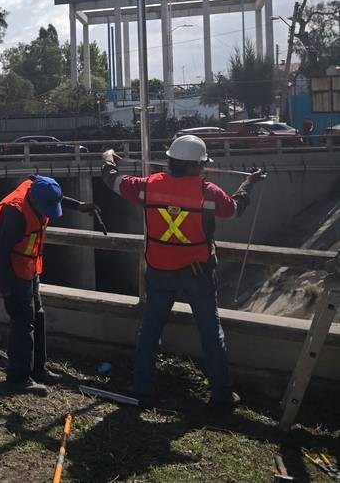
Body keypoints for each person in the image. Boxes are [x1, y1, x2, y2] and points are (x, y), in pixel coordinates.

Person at [101, 135, 265, 408]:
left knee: (150, 330)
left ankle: (143, 388)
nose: (203, 168)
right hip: (197, 272)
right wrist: (249, 182)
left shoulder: (147, 187)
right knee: (211, 333)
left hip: (159, 270)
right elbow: (235, 209)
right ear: (192, 166)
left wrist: (107, 156)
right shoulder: (207, 191)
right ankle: (222, 395)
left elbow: (112, 179)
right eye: (201, 165)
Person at [0, 175, 98, 395]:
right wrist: (6, 289)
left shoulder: (38, 189)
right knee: (22, 324)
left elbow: (54, 196)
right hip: (15, 273)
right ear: (34, 201)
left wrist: (79, 206)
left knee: (37, 316)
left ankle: (38, 369)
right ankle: (18, 377)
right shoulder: (15, 213)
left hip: (30, 268)